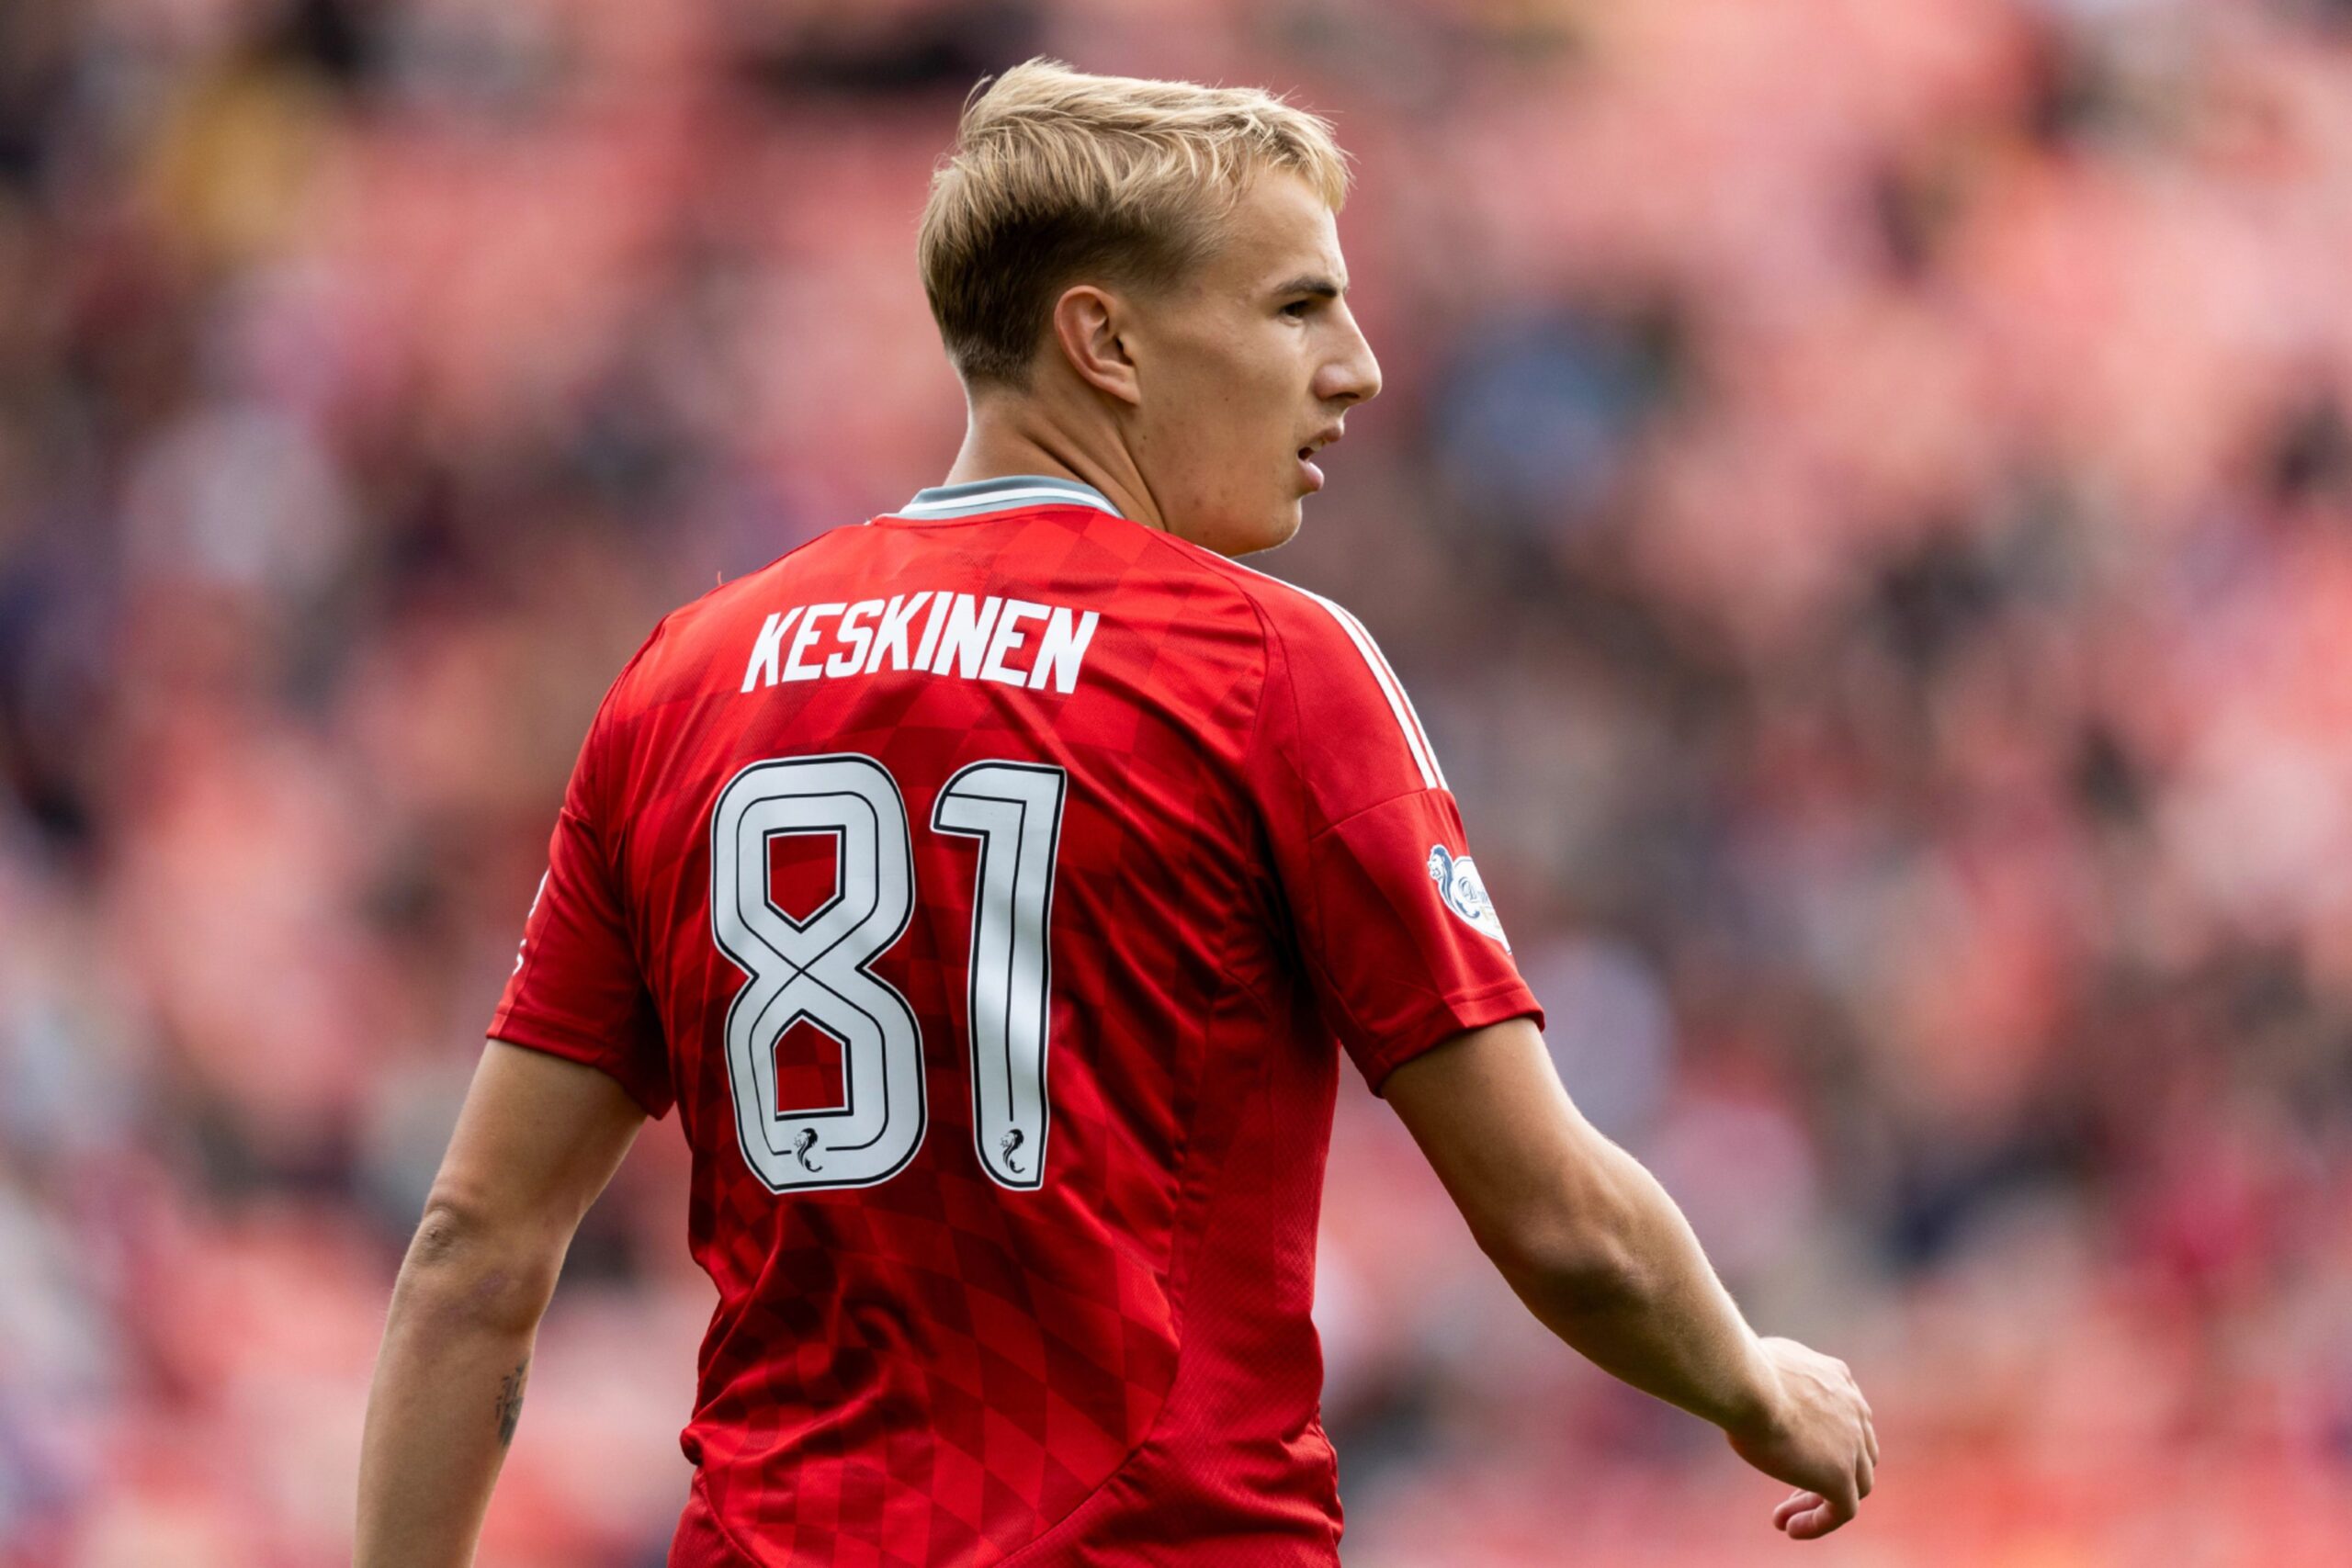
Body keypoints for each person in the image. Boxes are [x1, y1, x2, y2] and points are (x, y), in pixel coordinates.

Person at [356, 59, 1875, 1568]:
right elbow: (1555, 1218)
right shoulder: (1266, 667)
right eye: (1294, 307)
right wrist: (1751, 1383)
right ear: (1105, 342)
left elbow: (471, 1252)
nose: (1357, 366)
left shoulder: (683, 681)